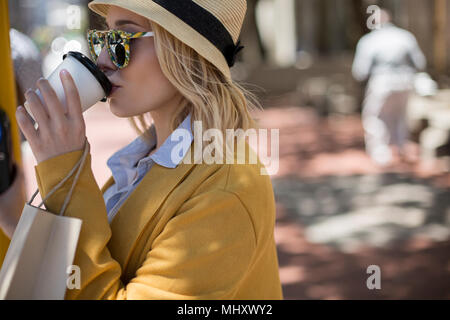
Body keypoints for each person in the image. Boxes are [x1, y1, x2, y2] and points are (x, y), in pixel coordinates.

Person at [3, 0, 284, 299]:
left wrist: (64, 171)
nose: (102, 59)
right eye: (102, 38)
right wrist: (15, 219)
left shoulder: (226, 190)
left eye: (122, 39)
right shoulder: (143, 161)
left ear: (185, 49)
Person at [352, 8, 426, 166]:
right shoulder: (405, 37)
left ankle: (380, 153)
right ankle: (401, 148)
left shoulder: (369, 41)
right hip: (405, 82)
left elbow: (360, 71)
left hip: (381, 82)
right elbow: (420, 62)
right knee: (400, 116)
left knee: (376, 117)